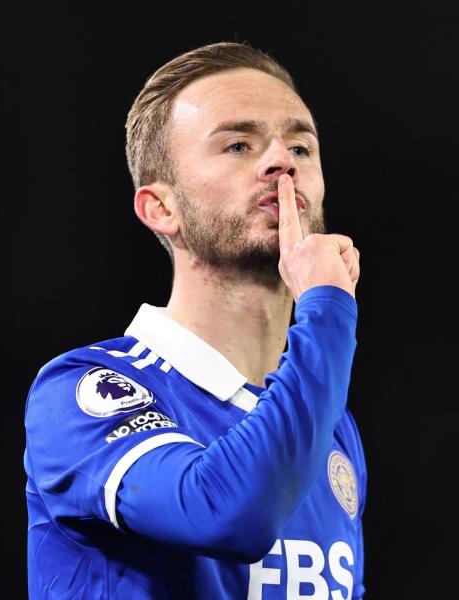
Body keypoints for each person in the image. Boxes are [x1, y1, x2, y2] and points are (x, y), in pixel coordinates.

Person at [23, 41, 366, 599]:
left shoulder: (331, 424)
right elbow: (229, 513)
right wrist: (326, 308)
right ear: (161, 208)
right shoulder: (87, 390)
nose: (282, 161)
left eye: (301, 147)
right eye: (238, 144)